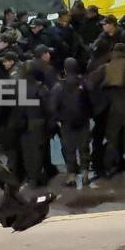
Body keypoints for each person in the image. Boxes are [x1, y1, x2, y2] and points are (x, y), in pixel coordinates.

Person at [88, 43, 125, 178]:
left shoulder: (106, 67)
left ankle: (111, 166)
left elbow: (89, 84)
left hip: (113, 107)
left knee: (113, 139)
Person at [50, 58, 92, 186]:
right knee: (84, 147)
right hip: (83, 120)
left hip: (66, 122)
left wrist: (57, 118)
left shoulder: (59, 86)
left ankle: (72, 175)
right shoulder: (84, 83)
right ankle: (85, 173)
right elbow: (91, 101)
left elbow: (52, 106)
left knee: (69, 149)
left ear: (65, 69)